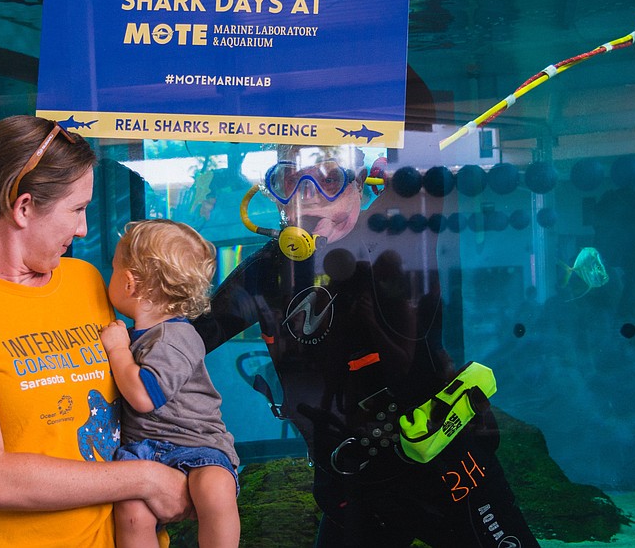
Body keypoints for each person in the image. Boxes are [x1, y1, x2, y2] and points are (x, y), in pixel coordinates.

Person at [193, 145, 540, 548]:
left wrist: (409, 181)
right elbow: (194, 336)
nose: (308, 195)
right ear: (276, 194)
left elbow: (434, 186)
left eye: (328, 178)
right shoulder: (267, 272)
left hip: (447, 468)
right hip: (351, 488)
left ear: (361, 183)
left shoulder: (398, 237)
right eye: (292, 180)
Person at [0, 115, 190, 548]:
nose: (84, 228)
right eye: (77, 209)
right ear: (23, 207)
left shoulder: (85, 279)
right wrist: (146, 479)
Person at [101, 219, 240, 548]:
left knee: (215, 489)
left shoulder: (177, 337)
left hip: (199, 446)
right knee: (131, 510)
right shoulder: (148, 334)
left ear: (130, 283)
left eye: (113, 269)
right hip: (142, 451)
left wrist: (118, 350)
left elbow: (143, 396)